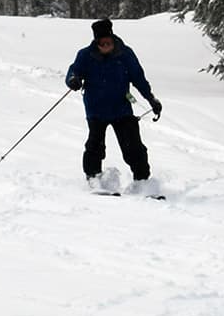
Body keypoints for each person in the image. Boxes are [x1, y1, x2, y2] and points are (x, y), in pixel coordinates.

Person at [64, 18, 163, 191]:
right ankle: (93, 180)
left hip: (121, 108)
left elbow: (139, 79)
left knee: (133, 147)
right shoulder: (85, 55)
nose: (106, 45)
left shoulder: (125, 54)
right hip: (95, 108)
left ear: (112, 38)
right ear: (96, 42)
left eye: (108, 41)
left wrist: (151, 99)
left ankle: (143, 182)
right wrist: (73, 80)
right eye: (102, 43)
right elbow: (74, 71)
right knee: (95, 145)